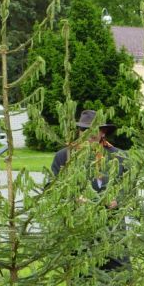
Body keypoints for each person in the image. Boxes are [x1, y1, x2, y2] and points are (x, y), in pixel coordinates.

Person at [51, 109, 127, 270]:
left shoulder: (119, 156)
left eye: (94, 130)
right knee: (81, 277)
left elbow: (129, 185)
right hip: (79, 228)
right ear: (79, 131)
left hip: (112, 229)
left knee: (119, 278)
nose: (89, 134)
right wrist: (74, 198)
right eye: (84, 130)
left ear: (103, 132)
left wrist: (118, 200)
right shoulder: (64, 156)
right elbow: (53, 188)